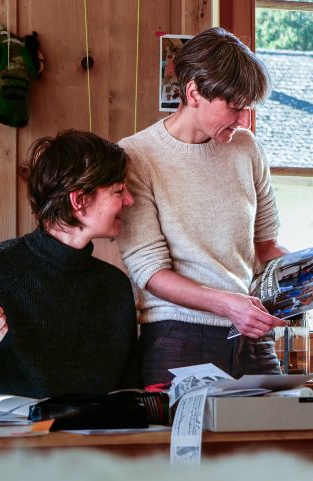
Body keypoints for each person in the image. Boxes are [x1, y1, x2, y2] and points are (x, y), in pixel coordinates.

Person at [117, 27, 288, 386]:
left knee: (280, 439)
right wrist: (228, 305)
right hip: (177, 336)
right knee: (185, 444)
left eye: (250, 109)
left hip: (251, 335)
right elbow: (150, 273)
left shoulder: (247, 148)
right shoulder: (137, 155)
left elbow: (267, 247)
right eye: (235, 107)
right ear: (194, 92)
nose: (245, 121)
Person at [0, 130, 138, 405]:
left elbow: (129, 391)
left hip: (87, 444)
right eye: (119, 191)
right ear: (79, 200)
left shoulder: (114, 287)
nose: (130, 200)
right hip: (0, 443)